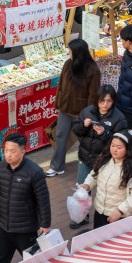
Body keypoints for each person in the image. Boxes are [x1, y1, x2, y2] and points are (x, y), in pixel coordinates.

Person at [0, 133, 51, 263]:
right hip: (3, 225)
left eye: (12, 151)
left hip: (25, 228)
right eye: (6, 150)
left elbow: (43, 200)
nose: (8, 155)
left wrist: (45, 223)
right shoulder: (1, 167)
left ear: (23, 152)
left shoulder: (34, 172)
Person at [70, 85, 127, 228]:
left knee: (107, 190)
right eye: (102, 101)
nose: (105, 104)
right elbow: (76, 130)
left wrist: (105, 133)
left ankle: (106, 215)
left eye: (109, 101)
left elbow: (121, 141)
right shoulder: (87, 111)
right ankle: (82, 217)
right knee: (83, 189)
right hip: (85, 158)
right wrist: (83, 125)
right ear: (97, 100)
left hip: (105, 161)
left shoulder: (118, 118)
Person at [46, 38, 101, 177]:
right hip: (65, 108)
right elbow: (61, 86)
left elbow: (93, 94)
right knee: (60, 136)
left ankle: (91, 165)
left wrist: (88, 113)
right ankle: (57, 166)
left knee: (84, 139)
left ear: (77, 52)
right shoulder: (67, 64)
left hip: (81, 111)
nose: (68, 52)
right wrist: (58, 103)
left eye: (70, 50)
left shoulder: (92, 70)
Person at [79, 132, 132, 228]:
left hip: (121, 216)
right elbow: (94, 174)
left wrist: (120, 211)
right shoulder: (104, 159)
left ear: (127, 149)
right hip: (100, 211)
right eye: (112, 145)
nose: (114, 150)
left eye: (119, 147)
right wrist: (87, 185)